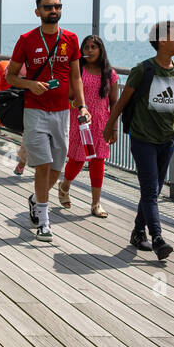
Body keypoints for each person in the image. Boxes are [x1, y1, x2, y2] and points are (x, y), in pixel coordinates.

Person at [103, 20, 174, 261]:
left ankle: (137, 231)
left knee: (154, 189)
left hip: (167, 138)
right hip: (142, 137)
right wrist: (110, 125)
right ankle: (157, 237)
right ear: (163, 41)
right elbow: (123, 101)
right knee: (149, 188)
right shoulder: (143, 69)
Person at [6, 0, 91, 243]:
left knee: (57, 166)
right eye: (48, 7)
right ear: (38, 12)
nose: (53, 11)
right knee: (42, 165)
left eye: (57, 7)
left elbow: (76, 76)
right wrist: (30, 84)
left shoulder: (71, 39)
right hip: (35, 111)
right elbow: (11, 76)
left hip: (62, 111)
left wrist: (82, 106)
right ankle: (44, 221)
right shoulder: (26, 40)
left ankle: (36, 199)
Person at [57, 35, 117, 217]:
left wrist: (113, 127)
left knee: (98, 160)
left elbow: (114, 102)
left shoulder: (110, 74)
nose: (89, 51)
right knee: (78, 158)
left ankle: (96, 203)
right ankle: (65, 184)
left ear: (100, 50)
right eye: (86, 47)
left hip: (101, 123)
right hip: (80, 121)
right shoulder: (77, 70)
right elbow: (67, 96)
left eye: (93, 47)